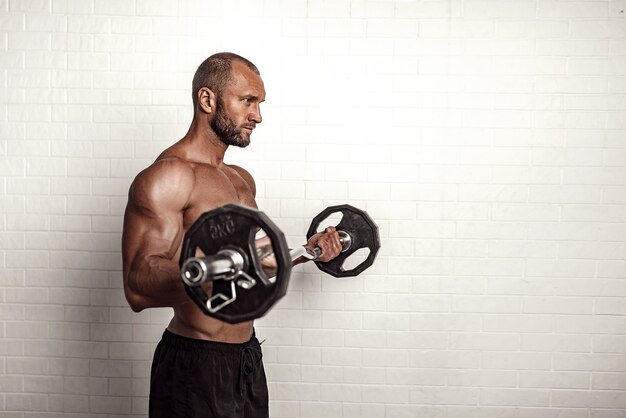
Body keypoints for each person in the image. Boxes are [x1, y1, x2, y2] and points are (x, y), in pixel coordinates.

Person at [121, 52, 342, 418]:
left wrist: (306, 251)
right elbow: (138, 286)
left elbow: (254, 264)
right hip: (194, 364)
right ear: (207, 100)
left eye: (259, 103)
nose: (257, 115)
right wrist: (215, 271)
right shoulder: (170, 176)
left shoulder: (240, 180)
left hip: (246, 358)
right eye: (247, 101)